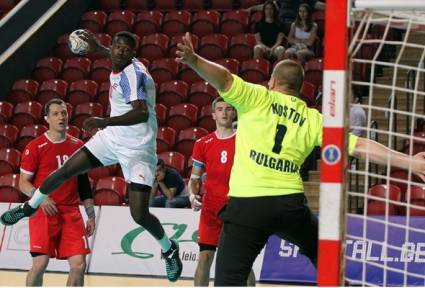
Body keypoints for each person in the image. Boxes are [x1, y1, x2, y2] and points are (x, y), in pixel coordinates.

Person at [175, 32, 425, 285]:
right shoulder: (313, 119)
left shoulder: (256, 98)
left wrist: (195, 60)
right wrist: (412, 163)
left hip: (246, 206)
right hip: (289, 206)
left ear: (272, 82)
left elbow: (225, 78)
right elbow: (359, 146)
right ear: (301, 88)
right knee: (328, 261)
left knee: (229, 280)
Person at [0, 30, 183, 282]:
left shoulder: (134, 75)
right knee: (66, 171)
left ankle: (169, 248)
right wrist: (97, 46)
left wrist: (103, 121)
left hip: (138, 148)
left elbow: (140, 113)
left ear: (133, 54)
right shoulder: (120, 58)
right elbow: (113, 53)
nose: (117, 50)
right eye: (115, 45)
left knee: (139, 214)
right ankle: (30, 207)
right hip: (112, 139)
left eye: (123, 48)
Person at [21, 99, 94, 286]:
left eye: (63, 113)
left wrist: (91, 215)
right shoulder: (35, 146)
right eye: (55, 113)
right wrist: (41, 198)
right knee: (40, 264)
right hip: (43, 211)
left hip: (71, 212)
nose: (61, 117)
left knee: (79, 265)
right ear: (47, 119)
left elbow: (83, 183)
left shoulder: (78, 146)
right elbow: (23, 183)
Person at [189, 97, 256, 286]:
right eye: (220, 109)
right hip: (210, 209)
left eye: (228, 109)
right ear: (213, 115)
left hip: (236, 207)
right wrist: (193, 195)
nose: (224, 112)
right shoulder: (203, 143)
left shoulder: (244, 140)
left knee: (240, 260)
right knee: (204, 258)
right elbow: (194, 179)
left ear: (234, 113)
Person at [247, 0, 325, 35]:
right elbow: (269, 6)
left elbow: (321, 5)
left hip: (293, 24)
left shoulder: (307, 0)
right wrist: (252, 8)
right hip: (280, 23)